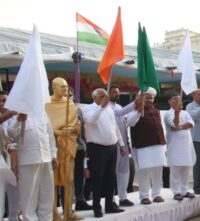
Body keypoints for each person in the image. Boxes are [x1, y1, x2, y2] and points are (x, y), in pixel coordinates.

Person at [83, 89, 126, 217]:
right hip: (97, 148)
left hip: (112, 147)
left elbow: (115, 128)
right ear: (94, 97)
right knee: (98, 178)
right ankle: (96, 207)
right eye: (102, 96)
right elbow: (91, 120)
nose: (105, 99)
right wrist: (101, 106)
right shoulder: (88, 108)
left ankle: (109, 205)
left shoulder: (109, 110)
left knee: (110, 178)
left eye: (105, 96)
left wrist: (122, 144)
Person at [44, 77, 82, 221]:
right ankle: (54, 214)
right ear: (54, 87)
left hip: (67, 146)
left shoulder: (70, 104)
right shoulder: (46, 104)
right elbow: (45, 126)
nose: (65, 90)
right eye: (62, 87)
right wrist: (58, 132)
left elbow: (76, 126)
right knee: (53, 182)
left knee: (69, 180)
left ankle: (68, 212)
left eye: (66, 87)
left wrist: (72, 129)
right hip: (53, 147)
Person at [8, 112, 57, 221]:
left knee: (47, 198)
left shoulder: (42, 113)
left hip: (46, 158)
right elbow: (10, 133)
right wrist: (19, 120)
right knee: (29, 199)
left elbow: (49, 134)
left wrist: (53, 155)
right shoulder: (15, 114)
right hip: (28, 160)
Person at [127, 87, 167, 205]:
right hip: (142, 145)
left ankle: (156, 194)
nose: (149, 100)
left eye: (151, 98)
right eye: (147, 97)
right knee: (144, 171)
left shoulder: (156, 110)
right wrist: (139, 111)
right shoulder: (133, 109)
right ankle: (144, 196)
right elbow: (130, 122)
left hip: (158, 145)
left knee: (157, 170)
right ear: (140, 98)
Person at [108, 85, 137, 207]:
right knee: (112, 172)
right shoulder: (107, 107)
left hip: (124, 144)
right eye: (114, 92)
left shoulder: (119, 106)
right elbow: (120, 112)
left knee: (124, 171)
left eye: (118, 92)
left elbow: (125, 122)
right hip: (113, 144)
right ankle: (111, 199)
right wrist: (136, 102)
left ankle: (123, 197)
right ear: (108, 93)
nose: (117, 94)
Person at [163, 94, 196, 201]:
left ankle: (184, 190)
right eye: (175, 99)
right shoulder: (168, 114)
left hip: (186, 145)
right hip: (174, 145)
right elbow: (174, 124)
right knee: (175, 169)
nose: (178, 101)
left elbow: (191, 124)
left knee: (185, 168)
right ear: (169, 101)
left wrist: (180, 127)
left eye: (180, 100)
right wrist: (176, 113)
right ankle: (176, 192)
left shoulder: (186, 113)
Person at [0, 91, 18, 221]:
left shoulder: (13, 118)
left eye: (4, 100)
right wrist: (10, 113)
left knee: (15, 187)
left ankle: (14, 217)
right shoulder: (9, 115)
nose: (2, 104)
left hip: (9, 157)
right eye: (0, 101)